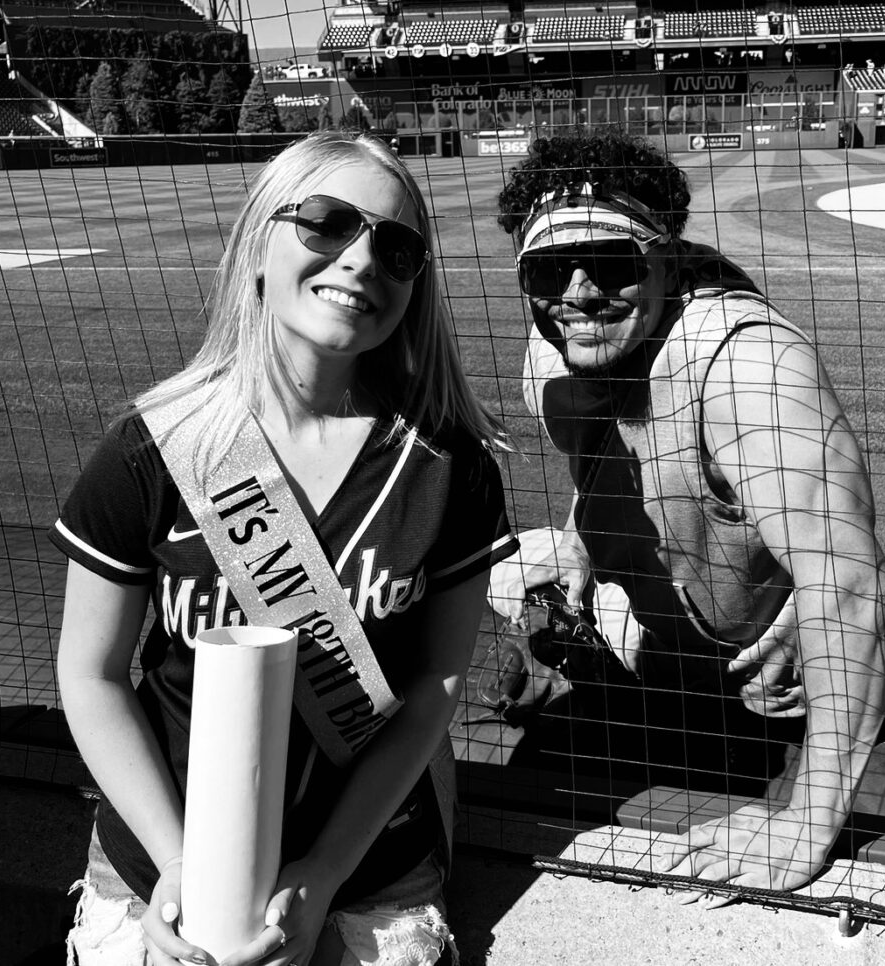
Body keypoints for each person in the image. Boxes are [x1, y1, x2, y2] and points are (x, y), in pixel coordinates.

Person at [52, 131, 518, 966]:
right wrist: (183, 864)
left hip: (368, 859)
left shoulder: (450, 467)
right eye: (329, 222)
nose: (362, 260)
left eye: (397, 246)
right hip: (161, 861)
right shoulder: (153, 450)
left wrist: (326, 869)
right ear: (257, 247)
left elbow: (433, 689)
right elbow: (89, 675)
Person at [487, 132, 885, 898]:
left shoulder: (749, 363)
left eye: (610, 264)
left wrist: (808, 821)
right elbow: (622, 472)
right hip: (652, 653)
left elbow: (851, 583)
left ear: (666, 260)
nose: (575, 293)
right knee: (510, 570)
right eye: (546, 270)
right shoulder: (555, 356)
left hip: (763, 693)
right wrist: (581, 544)